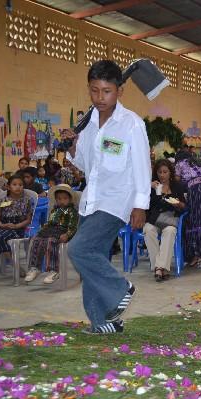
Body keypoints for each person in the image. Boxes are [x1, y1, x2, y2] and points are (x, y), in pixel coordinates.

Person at [60, 60, 151, 335]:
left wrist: (140, 205)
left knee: (79, 249)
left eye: (107, 91)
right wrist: (74, 145)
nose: (100, 98)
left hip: (116, 201)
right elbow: (89, 166)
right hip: (91, 199)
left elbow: (141, 166)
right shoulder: (88, 125)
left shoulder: (131, 124)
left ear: (120, 91)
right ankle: (103, 322)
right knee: (94, 258)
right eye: (94, 91)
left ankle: (120, 288)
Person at [24, 184, 78, 284]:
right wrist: (40, 232)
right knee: (36, 240)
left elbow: (73, 226)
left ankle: (54, 270)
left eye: (65, 198)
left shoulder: (72, 211)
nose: (62, 201)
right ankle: (35, 268)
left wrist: (67, 234)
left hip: (63, 232)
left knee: (51, 242)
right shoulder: (55, 210)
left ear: (70, 199)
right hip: (51, 230)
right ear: (56, 200)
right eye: (59, 199)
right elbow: (49, 223)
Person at [143, 159, 186, 282]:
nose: (162, 175)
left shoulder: (177, 186)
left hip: (170, 219)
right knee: (148, 229)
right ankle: (161, 268)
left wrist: (179, 204)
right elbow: (147, 205)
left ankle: (159, 267)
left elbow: (185, 206)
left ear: (170, 172)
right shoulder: (152, 186)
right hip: (155, 219)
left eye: (165, 172)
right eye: (159, 172)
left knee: (170, 231)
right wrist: (150, 189)